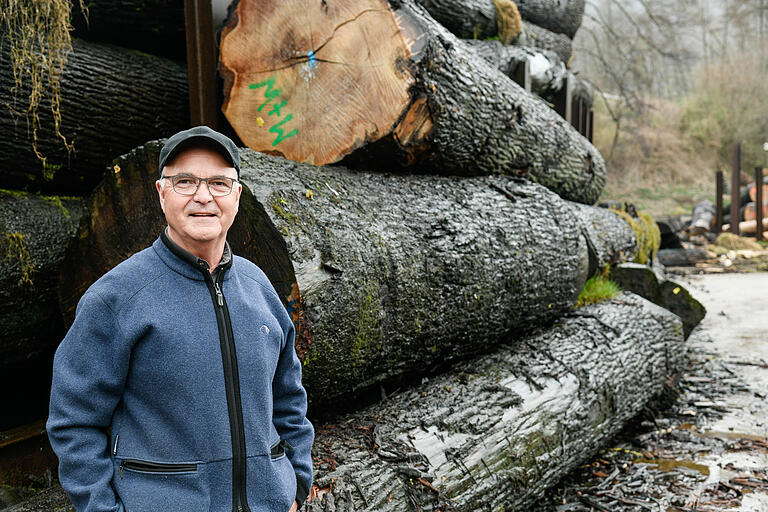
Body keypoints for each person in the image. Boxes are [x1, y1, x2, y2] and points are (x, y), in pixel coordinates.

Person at [47, 126, 314, 512]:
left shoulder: (260, 288)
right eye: (185, 181)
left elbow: (289, 399)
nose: (203, 196)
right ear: (161, 192)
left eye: (219, 183)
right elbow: (73, 423)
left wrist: (295, 484)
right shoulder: (116, 298)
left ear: (237, 195)